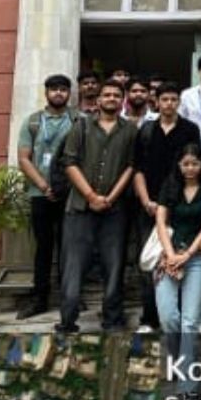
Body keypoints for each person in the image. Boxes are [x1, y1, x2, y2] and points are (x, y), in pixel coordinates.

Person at [58, 80, 136, 333]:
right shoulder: (80, 127)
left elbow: (131, 167)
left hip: (115, 210)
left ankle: (112, 318)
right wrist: (91, 196)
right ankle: (68, 320)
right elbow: (69, 163)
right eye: (107, 94)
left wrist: (110, 197)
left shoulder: (130, 131)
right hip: (80, 208)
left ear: (122, 101)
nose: (111, 98)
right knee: (73, 265)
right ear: (99, 100)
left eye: (116, 95)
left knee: (114, 265)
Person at [133, 82, 201, 330]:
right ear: (157, 102)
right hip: (149, 207)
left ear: (179, 102)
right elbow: (138, 170)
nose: (169, 104)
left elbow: (196, 169)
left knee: (178, 261)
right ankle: (150, 319)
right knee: (151, 262)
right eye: (165, 99)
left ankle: (181, 318)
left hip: (180, 210)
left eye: (174, 99)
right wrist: (145, 201)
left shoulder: (190, 130)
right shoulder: (146, 130)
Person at [155, 143, 201, 396]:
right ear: (179, 165)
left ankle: (188, 386)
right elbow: (161, 222)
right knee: (169, 318)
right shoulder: (169, 186)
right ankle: (179, 361)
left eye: (195, 163)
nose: (190, 168)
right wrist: (171, 255)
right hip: (167, 257)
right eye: (186, 164)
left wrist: (188, 255)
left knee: (190, 321)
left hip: (196, 259)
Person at [15, 74, 78, 320]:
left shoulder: (78, 120)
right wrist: (43, 186)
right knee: (43, 247)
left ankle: (69, 296)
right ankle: (39, 298)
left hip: (71, 194)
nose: (59, 93)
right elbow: (23, 158)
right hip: (39, 193)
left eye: (63, 89)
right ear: (46, 93)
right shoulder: (32, 122)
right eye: (54, 89)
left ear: (69, 94)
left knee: (69, 247)